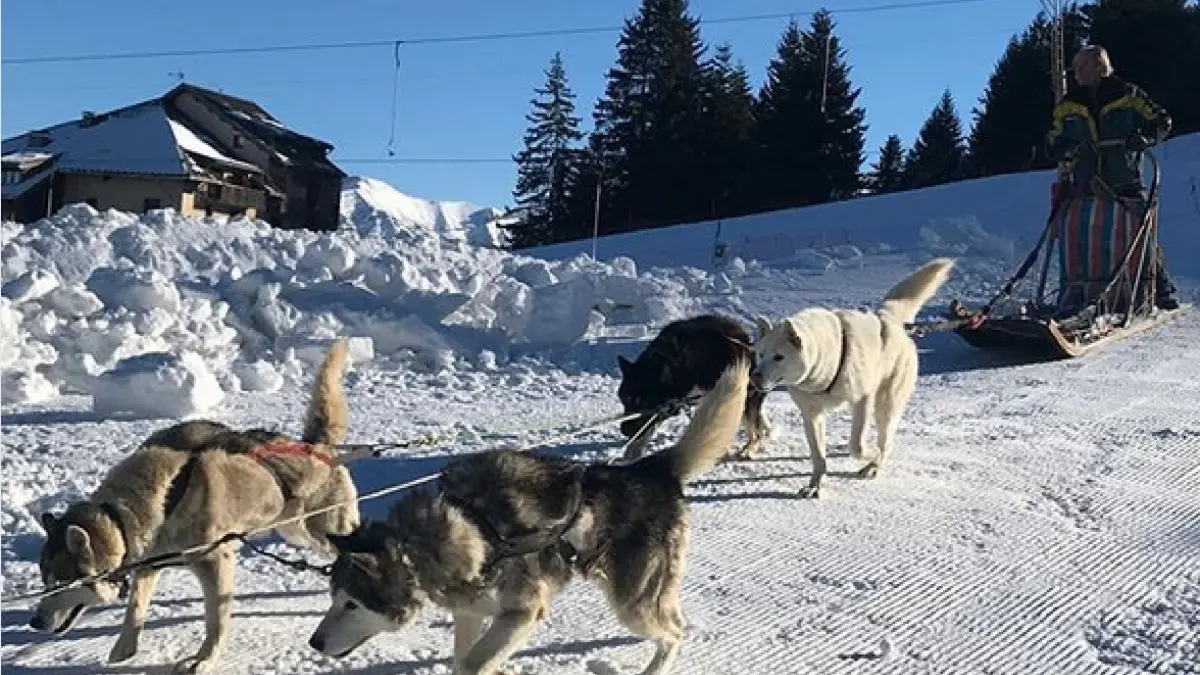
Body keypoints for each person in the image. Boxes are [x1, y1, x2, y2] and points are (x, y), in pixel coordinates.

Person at [1047, 44, 1178, 311]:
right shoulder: (1068, 105)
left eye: (1081, 66)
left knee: (1140, 227)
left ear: (1099, 65)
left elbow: (1162, 121)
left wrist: (1144, 138)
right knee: (1075, 230)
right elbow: (1052, 140)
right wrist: (1065, 150)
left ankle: (1160, 288)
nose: (1076, 72)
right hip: (1085, 181)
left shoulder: (1128, 95)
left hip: (1123, 178)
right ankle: (1077, 291)